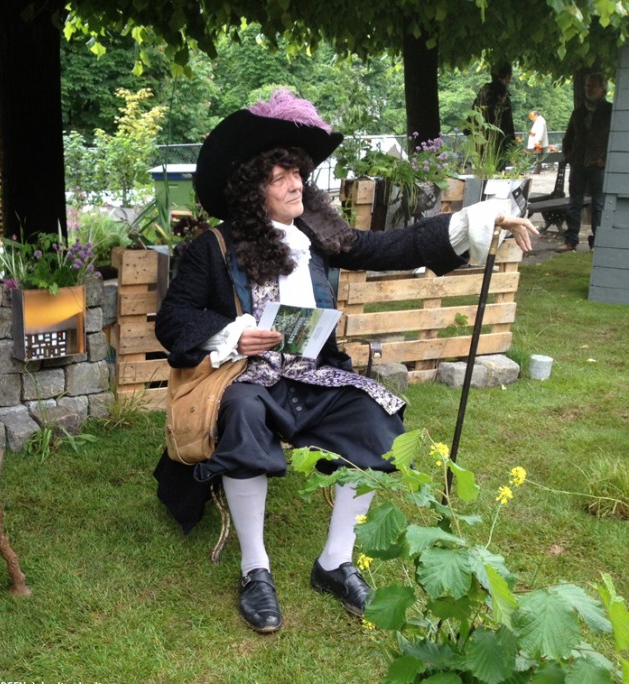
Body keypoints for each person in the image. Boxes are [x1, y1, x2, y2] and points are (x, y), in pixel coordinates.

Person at [153, 88, 538, 633]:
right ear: (250, 187)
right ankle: (255, 567)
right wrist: (235, 334)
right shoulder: (211, 249)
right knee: (242, 410)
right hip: (245, 378)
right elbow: (172, 321)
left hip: (310, 373)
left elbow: (395, 247)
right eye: (280, 174)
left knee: (373, 415)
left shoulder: (315, 236)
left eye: (298, 172)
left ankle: (335, 560)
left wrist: (485, 217)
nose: (296, 183)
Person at [558, 73, 612, 252]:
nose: (588, 89)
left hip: (599, 165)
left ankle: (597, 241)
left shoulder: (610, 112)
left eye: (592, 86)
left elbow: (615, 139)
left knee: (599, 204)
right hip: (579, 163)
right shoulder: (578, 112)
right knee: (574, 202)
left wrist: (604, 159)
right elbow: (568, 138)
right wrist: (570, 157)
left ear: (602, 89)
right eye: (587, 86)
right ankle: (570, 241)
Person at [470, 62, 516, 170]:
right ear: (507, 76)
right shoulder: (503, 95)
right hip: (498, 145)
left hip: (480, 140)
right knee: (497, 173)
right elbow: (508, 124)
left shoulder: (483, 93)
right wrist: (512, 145)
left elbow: (473, 114)